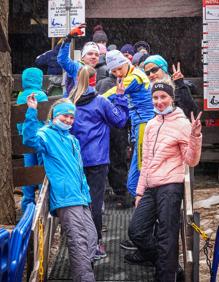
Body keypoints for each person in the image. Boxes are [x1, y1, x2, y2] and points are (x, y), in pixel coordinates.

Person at [126, 79, 202, 282]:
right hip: (151, 187)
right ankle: (169, 266)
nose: (159, 101)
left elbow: (191, 160)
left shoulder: (182, 123)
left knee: (167, 238)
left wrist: (195, 137)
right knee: (137, 231)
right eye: (155, 98)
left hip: (170, 186)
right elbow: (147, 161)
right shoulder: (151, 124)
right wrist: (140, 191)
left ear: (172, 98)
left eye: (163, 97)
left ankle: (165, 276)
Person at [23, 95, 97, 282]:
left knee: (91, 238)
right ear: (55, 115)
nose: (68, 120)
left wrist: (86, 193)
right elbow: (30, 140)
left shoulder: (72, 140)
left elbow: (79, 170)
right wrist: (32, 111)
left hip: (81, 196)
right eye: (65, 115)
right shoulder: (46, 134)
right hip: (66, 197)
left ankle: (80, 274)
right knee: (78, 241)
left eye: (71, 117)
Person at [69, 65, 129, 259]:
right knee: (95, 202)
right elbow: (119, 121)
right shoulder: (100, 102)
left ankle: (79, 242)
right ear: (94, 81)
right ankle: (95, 244)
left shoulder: (71, 102)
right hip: (97, 159)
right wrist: (120, 99)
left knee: (78, 202)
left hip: (76, 158)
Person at [105, 50, 154, 198]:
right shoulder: (132, 74)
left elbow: (115, 92)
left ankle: (146, 200)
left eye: (120, 68)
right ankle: (136, 193)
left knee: (141, 163)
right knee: (135, 166)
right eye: (114, 71)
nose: (118, 73)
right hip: (136, 124)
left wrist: (96, 100)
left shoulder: (135, 77)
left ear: (127, 63)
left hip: (144, 124)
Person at [16, 67, 48, 213]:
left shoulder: (21, 96)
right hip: (39, 139)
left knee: (28, 173)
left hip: (25, 140)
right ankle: (42, 205)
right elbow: (46, 119)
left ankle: (27, 205)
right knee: (42, 171)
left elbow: (18, 122)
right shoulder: (41, 95)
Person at [57, 24, 108, 96]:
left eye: (96, 55)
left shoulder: (100, 69)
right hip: (73, 104)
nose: (94, 57)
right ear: (82, 57)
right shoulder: (76, 67)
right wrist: (68, 38)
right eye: (90, 54)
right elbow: (62, 60)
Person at [144, 54, 199, 119]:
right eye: (147, 73)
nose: (151, 75)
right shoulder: (146, 91)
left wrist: (180, 84)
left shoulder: (177, 86)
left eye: (154, 70)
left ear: (163, 68)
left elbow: (191, 112)